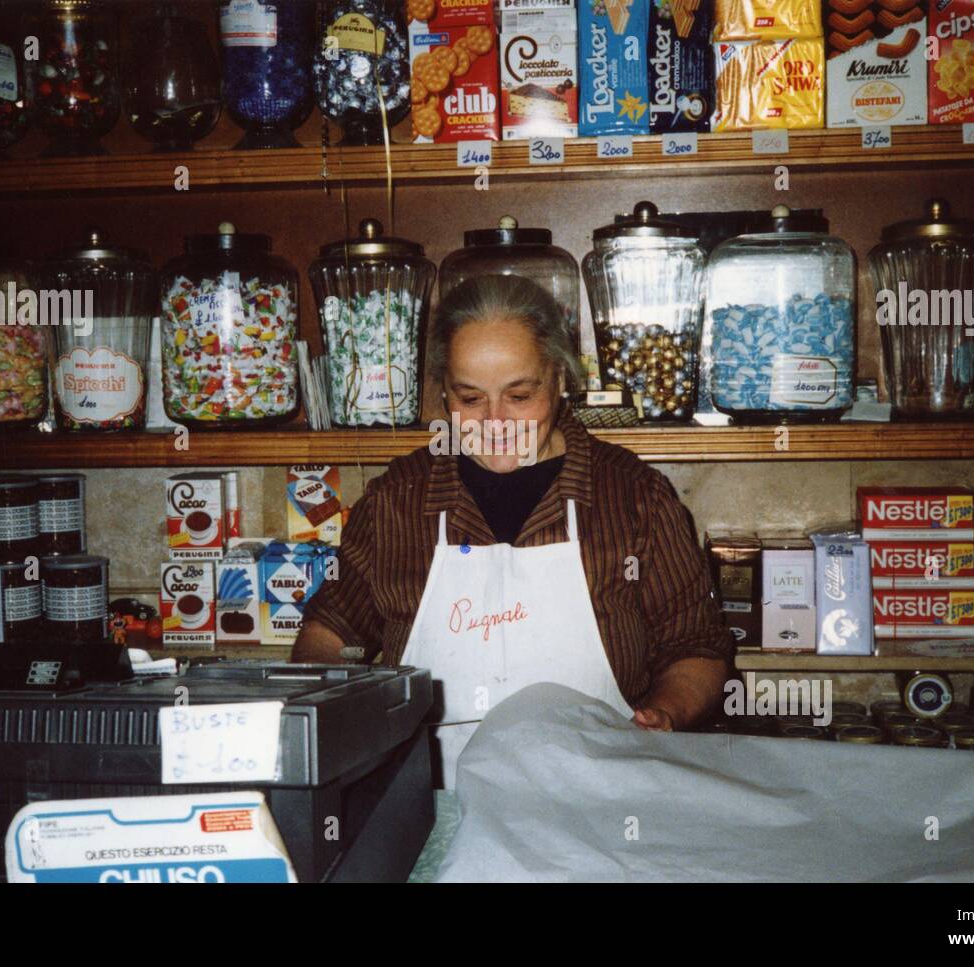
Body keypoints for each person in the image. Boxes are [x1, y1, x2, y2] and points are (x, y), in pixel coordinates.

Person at [294, 274, 734, 786]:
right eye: (470, 398)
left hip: (599, 793)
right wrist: (318, 706)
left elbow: (696, 646)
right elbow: (332, 632)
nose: (496, 421)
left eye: (520, 395)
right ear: (443, 392)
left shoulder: (635, 497)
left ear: (560, 378)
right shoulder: (400, 498)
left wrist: (666, 713)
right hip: (430, 801)